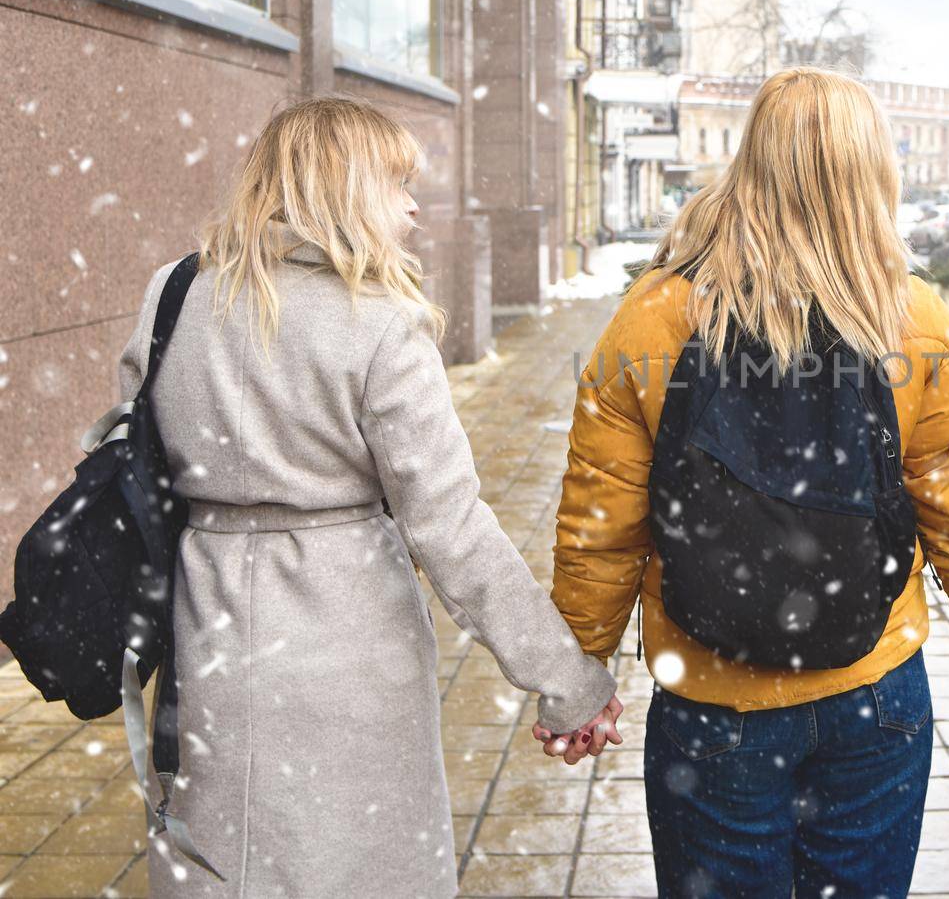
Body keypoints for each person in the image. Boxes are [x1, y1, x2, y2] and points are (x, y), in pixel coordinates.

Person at [549, 66, 949, 898]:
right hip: (874, 688)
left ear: (749, 163)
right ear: (871, 172)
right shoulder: (913, 318)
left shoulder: (656, 314)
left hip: (712, 694)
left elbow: (603, 520)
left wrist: (576, 677)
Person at [123, 97, 620, 896]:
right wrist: (567, 680)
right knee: (354, 862)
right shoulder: (380, 324)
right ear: (343, 191)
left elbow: (129, 453)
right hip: (348, 639)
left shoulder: (174, 294)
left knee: (222, 852)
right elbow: (451, 530)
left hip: (203, 628)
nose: (414, 205)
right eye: (396, 185)